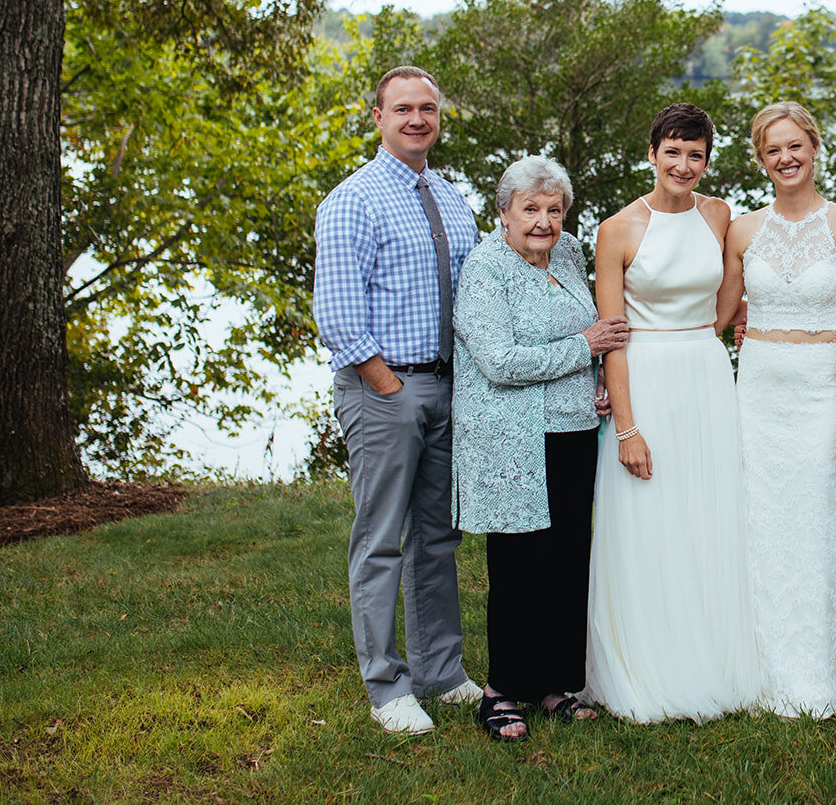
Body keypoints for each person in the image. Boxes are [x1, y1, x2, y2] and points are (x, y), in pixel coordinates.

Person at [313, 65, 484, 735]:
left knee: (437, 537)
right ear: (378, 116)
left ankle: (442, 669)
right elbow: (336, 312)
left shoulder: (447, 194)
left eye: (429, 109)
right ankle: (388, 685)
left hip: (448, 386)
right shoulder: (353, 199)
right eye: (404, 108)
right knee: (381, 540)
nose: (418, 118)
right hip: (386, 388)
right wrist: (387, 384)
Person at [586, 103, 763, 723]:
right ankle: (652, 665)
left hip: (707, 374)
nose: (684, 165)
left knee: (708, 512)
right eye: (673, 152)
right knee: (650, 518)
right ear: (653, 153)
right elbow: (612, 334)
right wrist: (626, 426)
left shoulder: (719, 216)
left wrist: (709, 337)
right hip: (645, 378)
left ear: (707, 160)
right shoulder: (619, 229)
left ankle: (715, 652)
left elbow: (724, 301)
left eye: (696, 155)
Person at [719, 103, 836, 719]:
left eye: (795, 146)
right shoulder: (742, 231)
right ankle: (758, 659)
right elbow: (714, 316)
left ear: (815, 149)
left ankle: (825, 663)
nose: (786, 158)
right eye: (773, 150)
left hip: (821, 392)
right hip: (758, 392)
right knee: (761, 524)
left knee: (818, 524)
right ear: (761, 159)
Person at [451, 156, 629, 742]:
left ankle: (554, 682)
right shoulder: (485, 270)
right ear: (503, 213)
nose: (543, 221)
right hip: (513, 440)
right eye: (530, 209)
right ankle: (502, 690)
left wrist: (600, 376)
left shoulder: (572, 253)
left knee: (567, 559)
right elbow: (499, 363)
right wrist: (585, 348)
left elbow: (598, 331)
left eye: (554, 209)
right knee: (519, 566)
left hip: (576, 432)